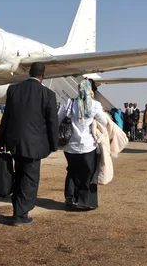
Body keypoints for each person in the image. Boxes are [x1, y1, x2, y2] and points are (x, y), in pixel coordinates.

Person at [0, 62, 59, 226]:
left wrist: (1, 140)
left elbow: (6, 117)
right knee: (29, 180)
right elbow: (52, 122)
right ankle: (20, 215)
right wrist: (54, 144)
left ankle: (18, 210)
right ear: (42, 75)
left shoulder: (14, 89)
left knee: (18, 176)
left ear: (29, 73)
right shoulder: (48, 94)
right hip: (34, 146)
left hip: (15, 143)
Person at [59, 79, 109, 210]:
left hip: (69, 146)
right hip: (87, 146)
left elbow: (58, 118)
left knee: (72, 170)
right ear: (90, 90)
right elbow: (104, 121)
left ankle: (70, 196)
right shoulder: (94, 105)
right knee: (87, 174)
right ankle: (85, 201)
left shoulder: (69, 103)